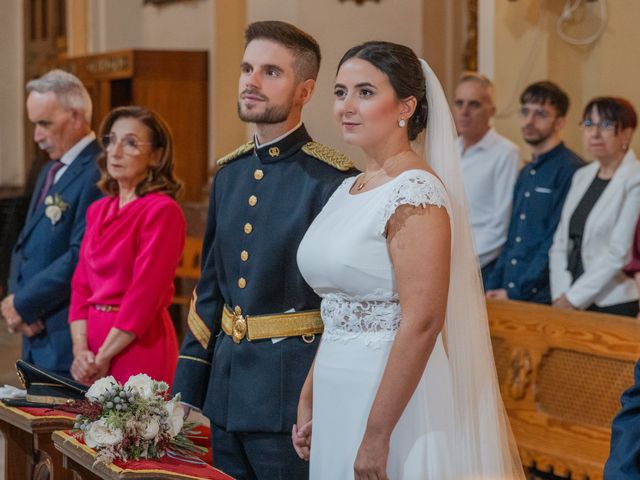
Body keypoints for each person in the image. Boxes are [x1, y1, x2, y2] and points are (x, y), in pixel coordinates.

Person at [293, 41, 525, 479]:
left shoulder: (415, 191)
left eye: (365, 92)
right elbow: (340, 307)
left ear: (406, 106)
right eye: (340, 92)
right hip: (337, 384)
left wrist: (378, 434)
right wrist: (310, 392)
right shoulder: (350, 188)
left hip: (393, 395)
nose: (347, 105)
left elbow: (421, 321)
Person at [172, 21, 354, 479]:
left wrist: (317, 399)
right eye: (247, 68)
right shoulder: (229, 174)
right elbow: (210, 291)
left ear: (305, 91)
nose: (251, 81)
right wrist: (187, 389)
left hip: (289, 398)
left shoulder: (333, 181)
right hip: (226, 394)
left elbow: (342, 304)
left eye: (271, 72)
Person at [68, 106, 184, 386]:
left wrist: (104, 354)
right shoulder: (98, 210)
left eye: (130, 143)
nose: (115, 151)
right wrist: (81, 351)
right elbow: (81, 286)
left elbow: (144, 295)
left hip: (137, 345)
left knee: (133, 430)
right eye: (111, 140)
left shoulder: (162, 211)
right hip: (93, 346)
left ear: (155, 156)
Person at [0, 69, 102, 377]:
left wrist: (26, 303)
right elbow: (26, 243)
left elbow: (80, 254)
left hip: (63, 326)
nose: (37, 136)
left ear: (75, 116)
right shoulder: (49, 171)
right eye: (34, 125)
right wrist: (15, 301)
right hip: (35, 325)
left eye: (45, 123)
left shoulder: (97, 171)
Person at [485, 81, 583, 304]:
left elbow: (554, 239)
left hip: (540, 294)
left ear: (560, 122)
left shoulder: (571, 170)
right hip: (507, 287)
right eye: (525, 112)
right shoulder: (526, 171)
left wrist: (517, 291)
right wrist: (494, 283)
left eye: (540, 114)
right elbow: (513, 235)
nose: (529, 121)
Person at [549, 97, 640, 316]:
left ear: (627, 133)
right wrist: (561, 294)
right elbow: (560, 243)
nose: (595, 133)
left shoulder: (635, 178)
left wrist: (574, 298)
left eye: (606, 125)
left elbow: (619, 252)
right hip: (568, 293)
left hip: (612, 300)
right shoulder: (582, 175)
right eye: (589, 124)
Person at [453, 72, 519, 283]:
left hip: (481, 267)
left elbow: (500, 225)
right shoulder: (449, 150)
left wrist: (460, 263)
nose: (464, 111)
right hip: (445, 261)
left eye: (474, 104)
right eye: (459, 103)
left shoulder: (506, 153)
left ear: (491, 111)